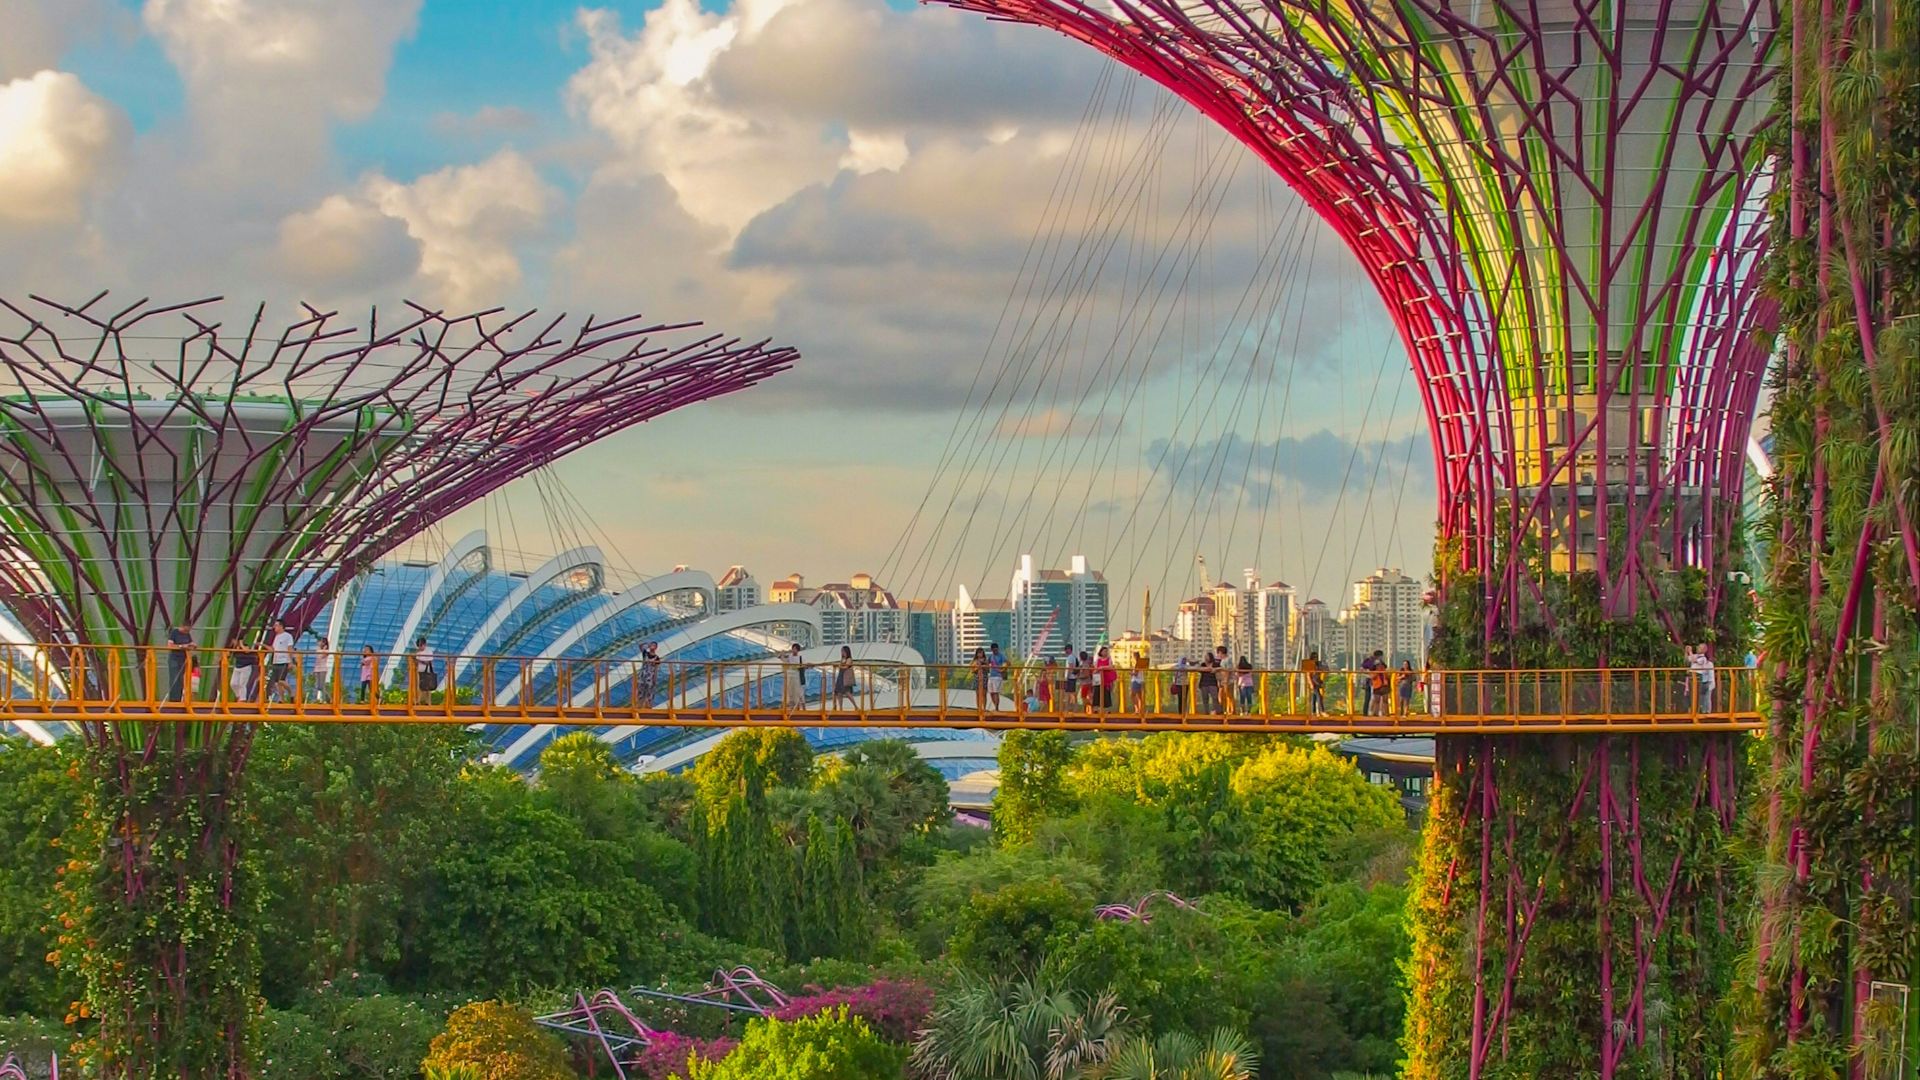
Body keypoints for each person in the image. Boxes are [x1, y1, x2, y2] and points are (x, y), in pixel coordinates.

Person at [266, 619, 295, 703]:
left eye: (276, 625)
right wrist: (263, 645)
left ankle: (291, 692)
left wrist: (290, 661)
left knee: (281, 680)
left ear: (281, 626)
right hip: (276, 661)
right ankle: (281, 699)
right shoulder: (277, 637)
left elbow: (290, 648)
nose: (274, 627)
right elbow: (273, 649)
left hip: (284, 661)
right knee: (277, 683)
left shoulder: (287, 636)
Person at [166, 623, 192, 702]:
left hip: (183, 659)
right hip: (174, 659)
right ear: (182, 626)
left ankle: (178, 699)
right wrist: (182, 646)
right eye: (185, 630)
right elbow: (170, 646)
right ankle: (173, 700)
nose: (186, 632)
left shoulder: (187, 635)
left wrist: (192, 645)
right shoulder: (174, 633)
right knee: (174, 679)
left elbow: (190, 643)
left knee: (181, 680)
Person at [228, 634, 258, 702]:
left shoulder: (245, 646)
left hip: (246, 667)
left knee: (242, 684)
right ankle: (238, 695)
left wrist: (241, 643)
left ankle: (243, 699)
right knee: (233, 683)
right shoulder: (235, 648)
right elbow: (229, 653)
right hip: (237, 667)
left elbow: (246, 650)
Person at [1689, 644, 1716, 712]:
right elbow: (1689, 659)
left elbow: (1694, 660)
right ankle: (1700, 710)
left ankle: (1707, 711)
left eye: (1700, 647)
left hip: (1706, 680)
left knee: (1706, 697)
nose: (1698, 648)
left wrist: (1690, 651)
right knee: (1700, 697)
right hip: (1701, 680)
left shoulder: (1703, 659)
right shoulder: (1697, 656)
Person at [410, 636, 438, 702]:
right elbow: (416, 661)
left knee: (428, 687)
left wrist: (419, 660)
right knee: (419, 686)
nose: (419, 647)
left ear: (424, 645)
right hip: (420, 671)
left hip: (427, 671)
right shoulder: (418, 652)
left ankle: (428, 701)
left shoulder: (429, 651)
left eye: (420, 646)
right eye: (419, 646)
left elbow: (428, 662)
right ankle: (418, 701)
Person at [309, 634, 335, 703]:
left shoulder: (326, 650)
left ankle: (324, 699)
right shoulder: (318, 649)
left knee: (322, 685)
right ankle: (325, 698)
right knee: (318, 686)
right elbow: (317, 659)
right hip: (317, 668)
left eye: (320, 641)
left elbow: (322, 656)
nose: (319, 643)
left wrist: (323, 649)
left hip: (323, 669)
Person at [783, 642, 807, 710]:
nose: (793, 650)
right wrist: (782, 655)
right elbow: (785, 661)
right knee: (791, 691)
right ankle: (793, 706)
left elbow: (804, 666)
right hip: (791, 676)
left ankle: (803, 707)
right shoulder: (790, 656)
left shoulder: (801, 658)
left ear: (798, 650)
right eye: (793, 649)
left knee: (799, 692)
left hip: (798, 676)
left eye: (795, 649)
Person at [833, 645, 857, 710]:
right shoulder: (843, 659)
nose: (842, 653)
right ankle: (840, 707)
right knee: (839, 692)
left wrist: (840, 666)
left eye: (843, 651)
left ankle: (856, 706)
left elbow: (846, 667)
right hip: (841, 675)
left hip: (845, 676)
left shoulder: (849, 659)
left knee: (847, 692)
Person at [987, 643, 1008, 710]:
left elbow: (1008, 663)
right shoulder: (991, 656)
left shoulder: (1001, 656)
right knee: (991, 692)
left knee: (996, 692)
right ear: (992, 650)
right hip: (991, 676)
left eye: (996, 650)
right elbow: (987, 663)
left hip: (998, 676)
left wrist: (1003, 669)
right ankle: (995, 706)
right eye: (994, 650)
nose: (995, 651)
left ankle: (996, 708)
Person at [1196, 651, 1218, 715]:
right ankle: (1206, 712)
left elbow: (1219, 669)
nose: (1205, 657)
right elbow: (1198, 669)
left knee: (1214, 698)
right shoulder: (1203, 664)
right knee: (1205, 698)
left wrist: (1212, 669)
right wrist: (1207, 668)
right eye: (1205, 656)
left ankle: (1215, 710)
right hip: (1204, 683)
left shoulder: (1215, 664)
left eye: (1207, 656)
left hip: (1213, 683)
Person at [1369, 651, 1390, 716]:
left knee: (1385, 701)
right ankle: (1375, 713)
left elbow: (1388, 677)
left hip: (1384, 687)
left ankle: (1386, 713)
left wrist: (1383, 671)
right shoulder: (1374, 672)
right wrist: (1378, 672)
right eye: (1378, 665)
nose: (1380, 666)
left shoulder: (1384, 671)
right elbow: (1372, 677)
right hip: (1377, 687)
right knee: (1376, 701)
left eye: (1381, 665)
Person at [1095, 646, 1116, 711]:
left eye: (1106, 651)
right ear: (1101, 652)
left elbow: (1110, 666)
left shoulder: (1109, 659)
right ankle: (1097, 708)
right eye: (1104, 651)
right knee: (1098, 692)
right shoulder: (1098, 660)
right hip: (1099, 679)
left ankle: (1107, 709)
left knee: (1106, 693)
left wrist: (1102, 667)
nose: (1105, 652)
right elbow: (1096, 668)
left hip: (1106, 679)